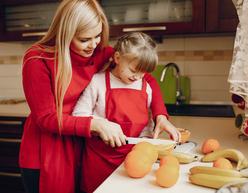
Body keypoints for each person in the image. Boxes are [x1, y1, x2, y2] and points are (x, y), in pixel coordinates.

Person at [19, 0, 181, 193]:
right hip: (48, 149)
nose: (93, 44)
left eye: (97, 35)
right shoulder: (37, 59)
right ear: (65, 33)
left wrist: (160, 116)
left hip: (84, 149)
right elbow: (46, 119)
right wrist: (96, 124)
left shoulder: (103, 53)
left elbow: (146, 78)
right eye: (84, 39)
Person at [72, 32, 174, 192]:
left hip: (134, 159)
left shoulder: (145, 86)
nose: (139, 76)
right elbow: (78, 115)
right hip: (99, 160)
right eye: (134, 70)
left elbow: (147, 121)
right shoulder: (97, 82)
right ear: (118, 58)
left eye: (143, 73)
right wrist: (100, 125)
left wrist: (146, 137)